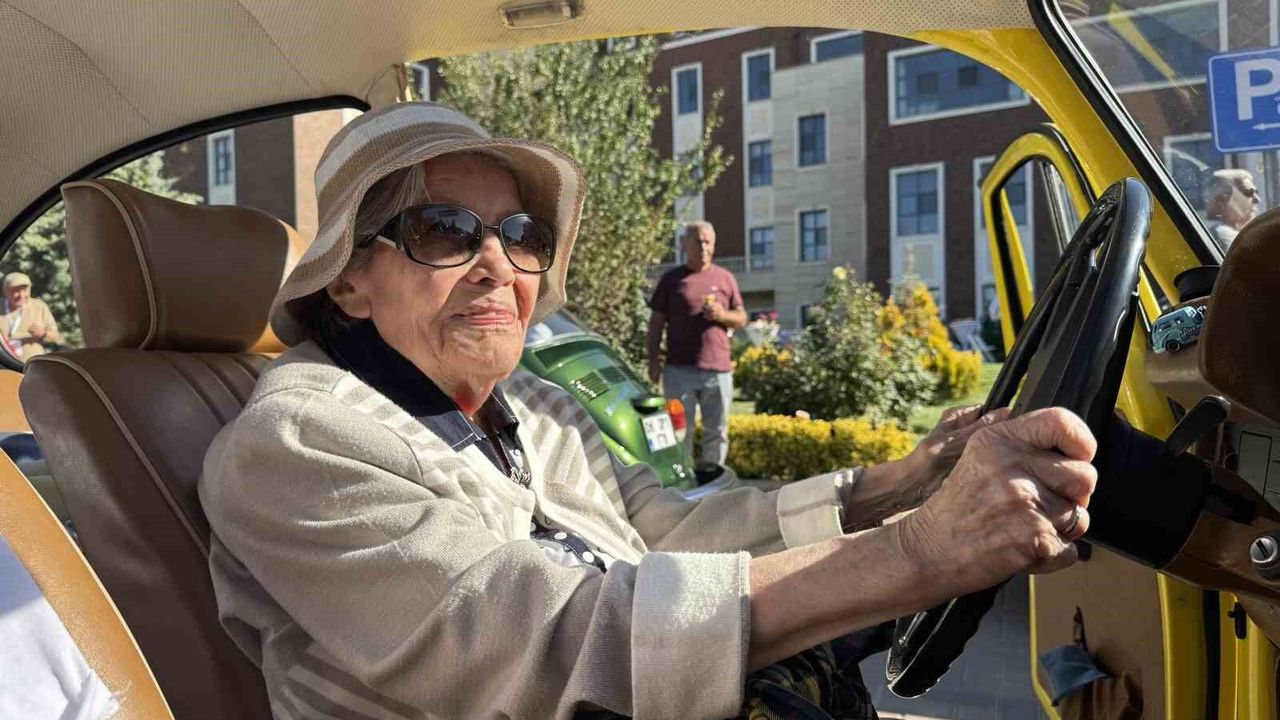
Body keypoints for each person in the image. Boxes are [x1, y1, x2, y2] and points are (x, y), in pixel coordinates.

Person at [199, 102, 1097, 720]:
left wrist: (893, 489)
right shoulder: (299, 442)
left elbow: (670, 530)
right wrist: (921, 552)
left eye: (520, 235)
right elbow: (551, 642)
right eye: (444, 230)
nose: (498, 266)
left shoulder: (535, 407)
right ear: (349, 282)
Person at [646, 222, 746, 464]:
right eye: (698, 241)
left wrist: (722, 315)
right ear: (684, 244)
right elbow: (656, 324)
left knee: (717, 431)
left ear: (713, 245)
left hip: (718, 371)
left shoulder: (725, 278)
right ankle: (683, 480)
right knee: (678, 432)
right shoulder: (671, 280)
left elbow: (741, 318)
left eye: (707, 241)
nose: (703, 247)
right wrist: (653, 361)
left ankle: (713, 478)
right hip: (679, 371)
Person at [0, 272, 62, 361]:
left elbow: (56, 338)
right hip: (5, 364)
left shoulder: (39, 307)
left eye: (25, 290)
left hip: (33, 364)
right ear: (6, 291)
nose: (22, 295)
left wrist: (43, 334)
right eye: (16, 291)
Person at [1203, 168, 1260, 250]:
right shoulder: (1223, 235)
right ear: (1223, 200)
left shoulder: (1205, 229)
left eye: (1256, 192)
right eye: (1249, 192)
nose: (1257, 199)